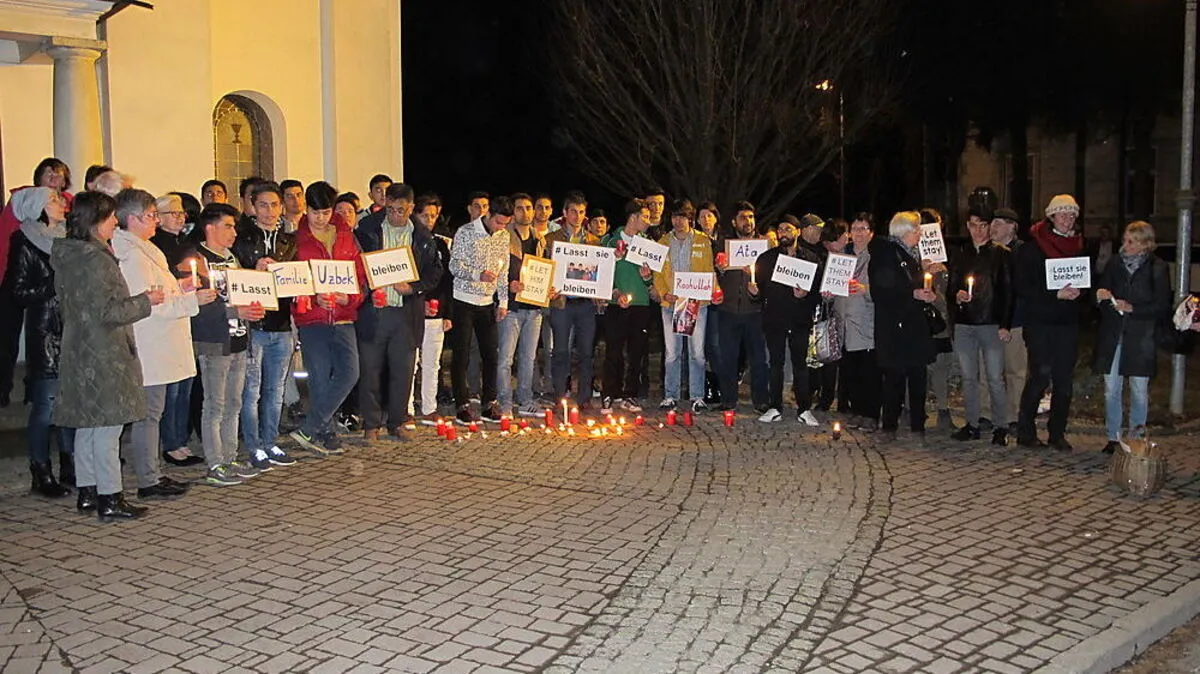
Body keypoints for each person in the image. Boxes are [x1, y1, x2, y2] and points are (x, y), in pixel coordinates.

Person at [52, 191, 164, 519]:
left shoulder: (70, 254)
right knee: (108, 427)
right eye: (111, 217)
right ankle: (110, 497)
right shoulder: (95, 258)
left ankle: (87, 491)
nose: (115, 222)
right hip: (104, 351)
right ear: (97, 221)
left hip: (81, 347)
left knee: (89, 425)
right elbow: (107, 311)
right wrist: (146, 300)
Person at [112, 189, 211, 500]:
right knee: (149, 414)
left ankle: (152, 473)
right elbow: (149, 305)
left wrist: (180, 287)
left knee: (153, 412)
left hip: (160, 343)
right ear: (132, 219)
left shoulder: (143, 249)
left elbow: (160, 292)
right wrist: (192, 300)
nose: (156, 221)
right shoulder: (131, 255)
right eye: (151, 216)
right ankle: (148, 479)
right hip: (150, 345)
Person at [355, 183, 443, 440]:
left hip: (406, 314)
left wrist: (414, 287)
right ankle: (371, 424)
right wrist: (369, 286)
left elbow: (435, 272)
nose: (395, 216)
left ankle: (397, 421)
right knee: (370, 370)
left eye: (401, 211)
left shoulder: (423, 236)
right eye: (391, 210)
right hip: (375, 311)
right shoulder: (367, 229)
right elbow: (355, 263)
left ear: (412, 208)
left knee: (403, 371)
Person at [189, 204, 267, 484]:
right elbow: (199, 303)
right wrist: (236, 312)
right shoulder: (196, 259)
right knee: (215, 403)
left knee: (234, 402)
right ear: (210, 228)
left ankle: (230, 457)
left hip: (238, 338)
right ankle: (215, 463)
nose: (234, 232)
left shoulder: (231, 257)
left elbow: (242, 290)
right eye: (228, 226)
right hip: (214, 340)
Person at [3, 187, 72, 496]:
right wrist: (53, 283)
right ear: (38, 207)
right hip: (45, 331)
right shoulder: (25, 241)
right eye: (54, 200)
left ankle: (70, 465)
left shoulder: (69, 237)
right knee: (45, 407)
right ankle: (40, 470)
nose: (62, 203)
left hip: (73, 329)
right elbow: (17, 292)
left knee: (71, 403)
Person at [288, 181, 366, 455]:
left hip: (343, 317)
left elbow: (359, 275)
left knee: (350, 371)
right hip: (313, 319)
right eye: (314, 212)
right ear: (306, 209)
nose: (320, 218)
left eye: (325, 212)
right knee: (319, 377)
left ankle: (310, 429)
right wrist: (310, 297)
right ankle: (326, 431)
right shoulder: (296, 239)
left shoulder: (345, 235)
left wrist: (351, 298)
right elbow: (292, 280)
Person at [232, 181, 300, 467]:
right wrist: (254, 268)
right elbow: (235, 278)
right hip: (254, 326)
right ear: (252, 205)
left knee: (276, 390)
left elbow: (294, 280)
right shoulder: (242, 238)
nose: (270, 211)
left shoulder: (289, 241)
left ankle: (270, 442)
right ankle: (254, 446)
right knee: (252, 390)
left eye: (274, 205)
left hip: (281, 324)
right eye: (263, 205)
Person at [1015, 194, 1088, 450]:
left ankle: (1057, 433)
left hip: (1067, 324)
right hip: (1041, 323)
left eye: (1072, 215)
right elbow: (1023, 287)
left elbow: (1087, 283)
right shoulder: (1033, 247)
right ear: (1052, 216)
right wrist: (1054, 294)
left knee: (1064, 380)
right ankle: (1026, 432)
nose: (1068, 219)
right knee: (1039, 377)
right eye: (1063, 214)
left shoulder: (1079, 246)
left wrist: (1082, 293)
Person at [1093, 221, 1172, 453]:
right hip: (1113, 333)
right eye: (1125, 240)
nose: (1125, 245)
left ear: (1145, 244)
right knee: (1111, 388)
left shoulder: (1157, 267)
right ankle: (1113, 437)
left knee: (1138, 388)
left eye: (1131, 242)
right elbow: (1101, 292)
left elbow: (1161, 305)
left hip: (1140, 336)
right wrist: (1101, 296)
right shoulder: (1115, 263)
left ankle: (1137, 436)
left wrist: (1134, 309)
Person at [0, 158, 73, 408]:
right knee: (9, 340)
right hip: (31, 297)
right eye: (49, 174)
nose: (55, 179)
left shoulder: (68, 214)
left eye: (60, 175)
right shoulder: (24, 208)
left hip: (59, 310)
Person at [948, 204, 1015, 445]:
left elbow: (1008, 292)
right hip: (965, 324)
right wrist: (957, 295)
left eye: (983, 226)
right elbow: (952, 287)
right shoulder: (961, 253)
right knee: (968, 377)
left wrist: (1005, 324)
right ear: (967, 226)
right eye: (973, 225)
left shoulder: (1000, 254)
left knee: (995, 378)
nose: (978, 231)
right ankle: (972, 423)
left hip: (990, 323)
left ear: (989, 227)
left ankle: (1000, 426)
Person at [869, 211, 937, 443]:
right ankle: (890, 422)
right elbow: (881, 291)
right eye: (917, 230)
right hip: (894, 328)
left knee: (918, 375)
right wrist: (913, 293)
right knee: (895, 377)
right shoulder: (885, 255)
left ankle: (918, 421)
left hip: (914, 325)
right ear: (905, 232)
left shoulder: (914, 256)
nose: (920, 234)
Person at [751, 215, 822, 424]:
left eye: (788, 229)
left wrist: (805, 295)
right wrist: (753, 292)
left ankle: (804, 408)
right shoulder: (766, 259)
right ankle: (774, 406)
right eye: (780, 229)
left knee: (801, 364)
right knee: (775, 364)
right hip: (775, 319)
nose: (783, 233)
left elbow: (818, 291)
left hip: (800, 320)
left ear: (798, 232)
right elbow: (759, 292)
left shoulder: (811, 258)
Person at [449, 196, 513, 424]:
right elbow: (454, 265)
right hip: (463, 300)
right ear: (488, 214)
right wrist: (478, 275)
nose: (500, 228)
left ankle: (489, 402)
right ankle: (462, 403)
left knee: (490, 354)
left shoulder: (504, 236)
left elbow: (503, 271)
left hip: (487, 302)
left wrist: (503, 302)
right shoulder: (465, 232)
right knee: (462, 354)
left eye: (505, 224)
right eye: (497, 222)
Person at [653, 198, 715, 413]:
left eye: (682, 216)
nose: (678, 221)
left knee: (697, 352)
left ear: (690, 218)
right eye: (674, 216)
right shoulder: (662, 242)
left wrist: (708, 293)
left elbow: (709, 271)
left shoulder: (703, 241)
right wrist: (664, 293)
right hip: (670, 304)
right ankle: (671, 396)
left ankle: (697, 396)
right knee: (672, 353)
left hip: (696, 304)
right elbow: (657, 272)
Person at [545, 192, 601, 408]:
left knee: (586, 353)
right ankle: (560, 395)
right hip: (562, 303)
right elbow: (545, 269)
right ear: (565, 214)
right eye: (573, 212)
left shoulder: (594, 242)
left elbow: (600, 273)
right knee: (560, 351)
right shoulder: (551, 240)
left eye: (581, 212)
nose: (577, 216)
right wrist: (548, 288)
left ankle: (584, 398)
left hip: (586, 304)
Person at [600, 199, 654, 415]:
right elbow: (602, 274)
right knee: (613, 351)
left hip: (641, 305)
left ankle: (630, 394)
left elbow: (653, 280)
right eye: (646, 217)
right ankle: (609, 394)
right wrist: (615, 293)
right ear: (633, 217)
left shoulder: (648, 243)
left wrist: (648, 279)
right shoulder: (609, 241)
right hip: (616, 304)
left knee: (636, 352)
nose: (649, 222)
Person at [715, 201, 769, 413]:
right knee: (727, 358)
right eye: (743, 217)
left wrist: (758, 285)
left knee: (759, 359)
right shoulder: (723, 245)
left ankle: (761, 401)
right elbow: (713, 274)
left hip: (755, 312)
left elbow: (770, 279)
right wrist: (719, 270)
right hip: (728, 310)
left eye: (751, 217)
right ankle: (728, 400)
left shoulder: (763, 247)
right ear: (734, 221)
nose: (748, 221)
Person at [497, 194, 547, 418]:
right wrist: (509, 285)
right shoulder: (503, 238)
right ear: (513, 212)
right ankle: (504, 401)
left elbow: (545, 271)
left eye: (528, 208)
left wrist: (548, 290)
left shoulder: (540, 240)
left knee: (529, 358)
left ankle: (525, 400)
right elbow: (495, 269)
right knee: (505, 359)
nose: (525, 213)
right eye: (520, 208)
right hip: (511, 309)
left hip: (534, 308)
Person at [834, 213, 881, 431]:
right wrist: (828, 292)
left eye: (863, 229)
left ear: (871, 233)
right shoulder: (843, 256)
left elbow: (885, 289)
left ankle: (871, 414)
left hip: (866, 321)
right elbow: (834, 283)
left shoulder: (877, 257)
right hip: (845, 322)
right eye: (855, 228)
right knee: (851, 371)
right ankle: (858, 410)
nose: (859, 233)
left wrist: (866, 290)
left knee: (869, 372)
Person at [410, 195, 453, 424]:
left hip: (436, 312)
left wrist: (447, 313)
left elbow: (446, 281)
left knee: (432, 362)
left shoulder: (441, 245)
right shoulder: (409, 241)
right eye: (424, 214)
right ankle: (406, 408)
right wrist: (419, 301)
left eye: (433, 215)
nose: (429, 219)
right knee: (410, 362)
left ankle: (429, 407)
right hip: (413, 310)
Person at [986, 208, 1027, 434]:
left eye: (999, 222)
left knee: (1015, 370)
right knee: (988, 371)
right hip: (989, 320)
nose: (993, 227)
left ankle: (1014, 416)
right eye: (992, 222)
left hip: (1016, 320)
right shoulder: (988, 251)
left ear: (1012, 227)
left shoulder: (1021, 252)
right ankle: (986, 413)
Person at [920, 207, 956, 430]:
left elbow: (952, 295)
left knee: (941, 367)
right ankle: (915, 410)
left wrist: (942, 276)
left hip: (940, 323)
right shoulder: (909, 255)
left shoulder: (948, 255)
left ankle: (943, 410)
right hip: (918, 322)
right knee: (918, 367)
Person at [696, 201, 723, 403]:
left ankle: (718, 385)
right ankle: (703, 386)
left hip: (720, 299)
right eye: (702, 216)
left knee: (716, 344)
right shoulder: (694, 240)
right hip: (698, 297)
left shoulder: (724, 241)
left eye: (710, 216)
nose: (706, 220)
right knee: (701, 345)